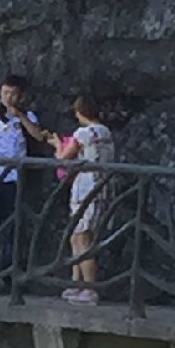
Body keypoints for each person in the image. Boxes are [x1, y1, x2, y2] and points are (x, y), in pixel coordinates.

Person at [0, 76, 52, 281]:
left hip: (15, 177)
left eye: (13, 94)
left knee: (12, 227)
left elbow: (37, 136)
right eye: (5, 93)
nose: (8, 98)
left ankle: (9, 274)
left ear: (20, 96)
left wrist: (19, 115)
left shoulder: (27, 116)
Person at [60, 90, 112, 302]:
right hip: (102, 185)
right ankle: (76, 282)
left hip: (85, 186)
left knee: (83, 238)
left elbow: (64, 157)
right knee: (76, 235)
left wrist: (57, 145)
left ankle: (89, 288)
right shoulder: (105, 132)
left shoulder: (83, 133)